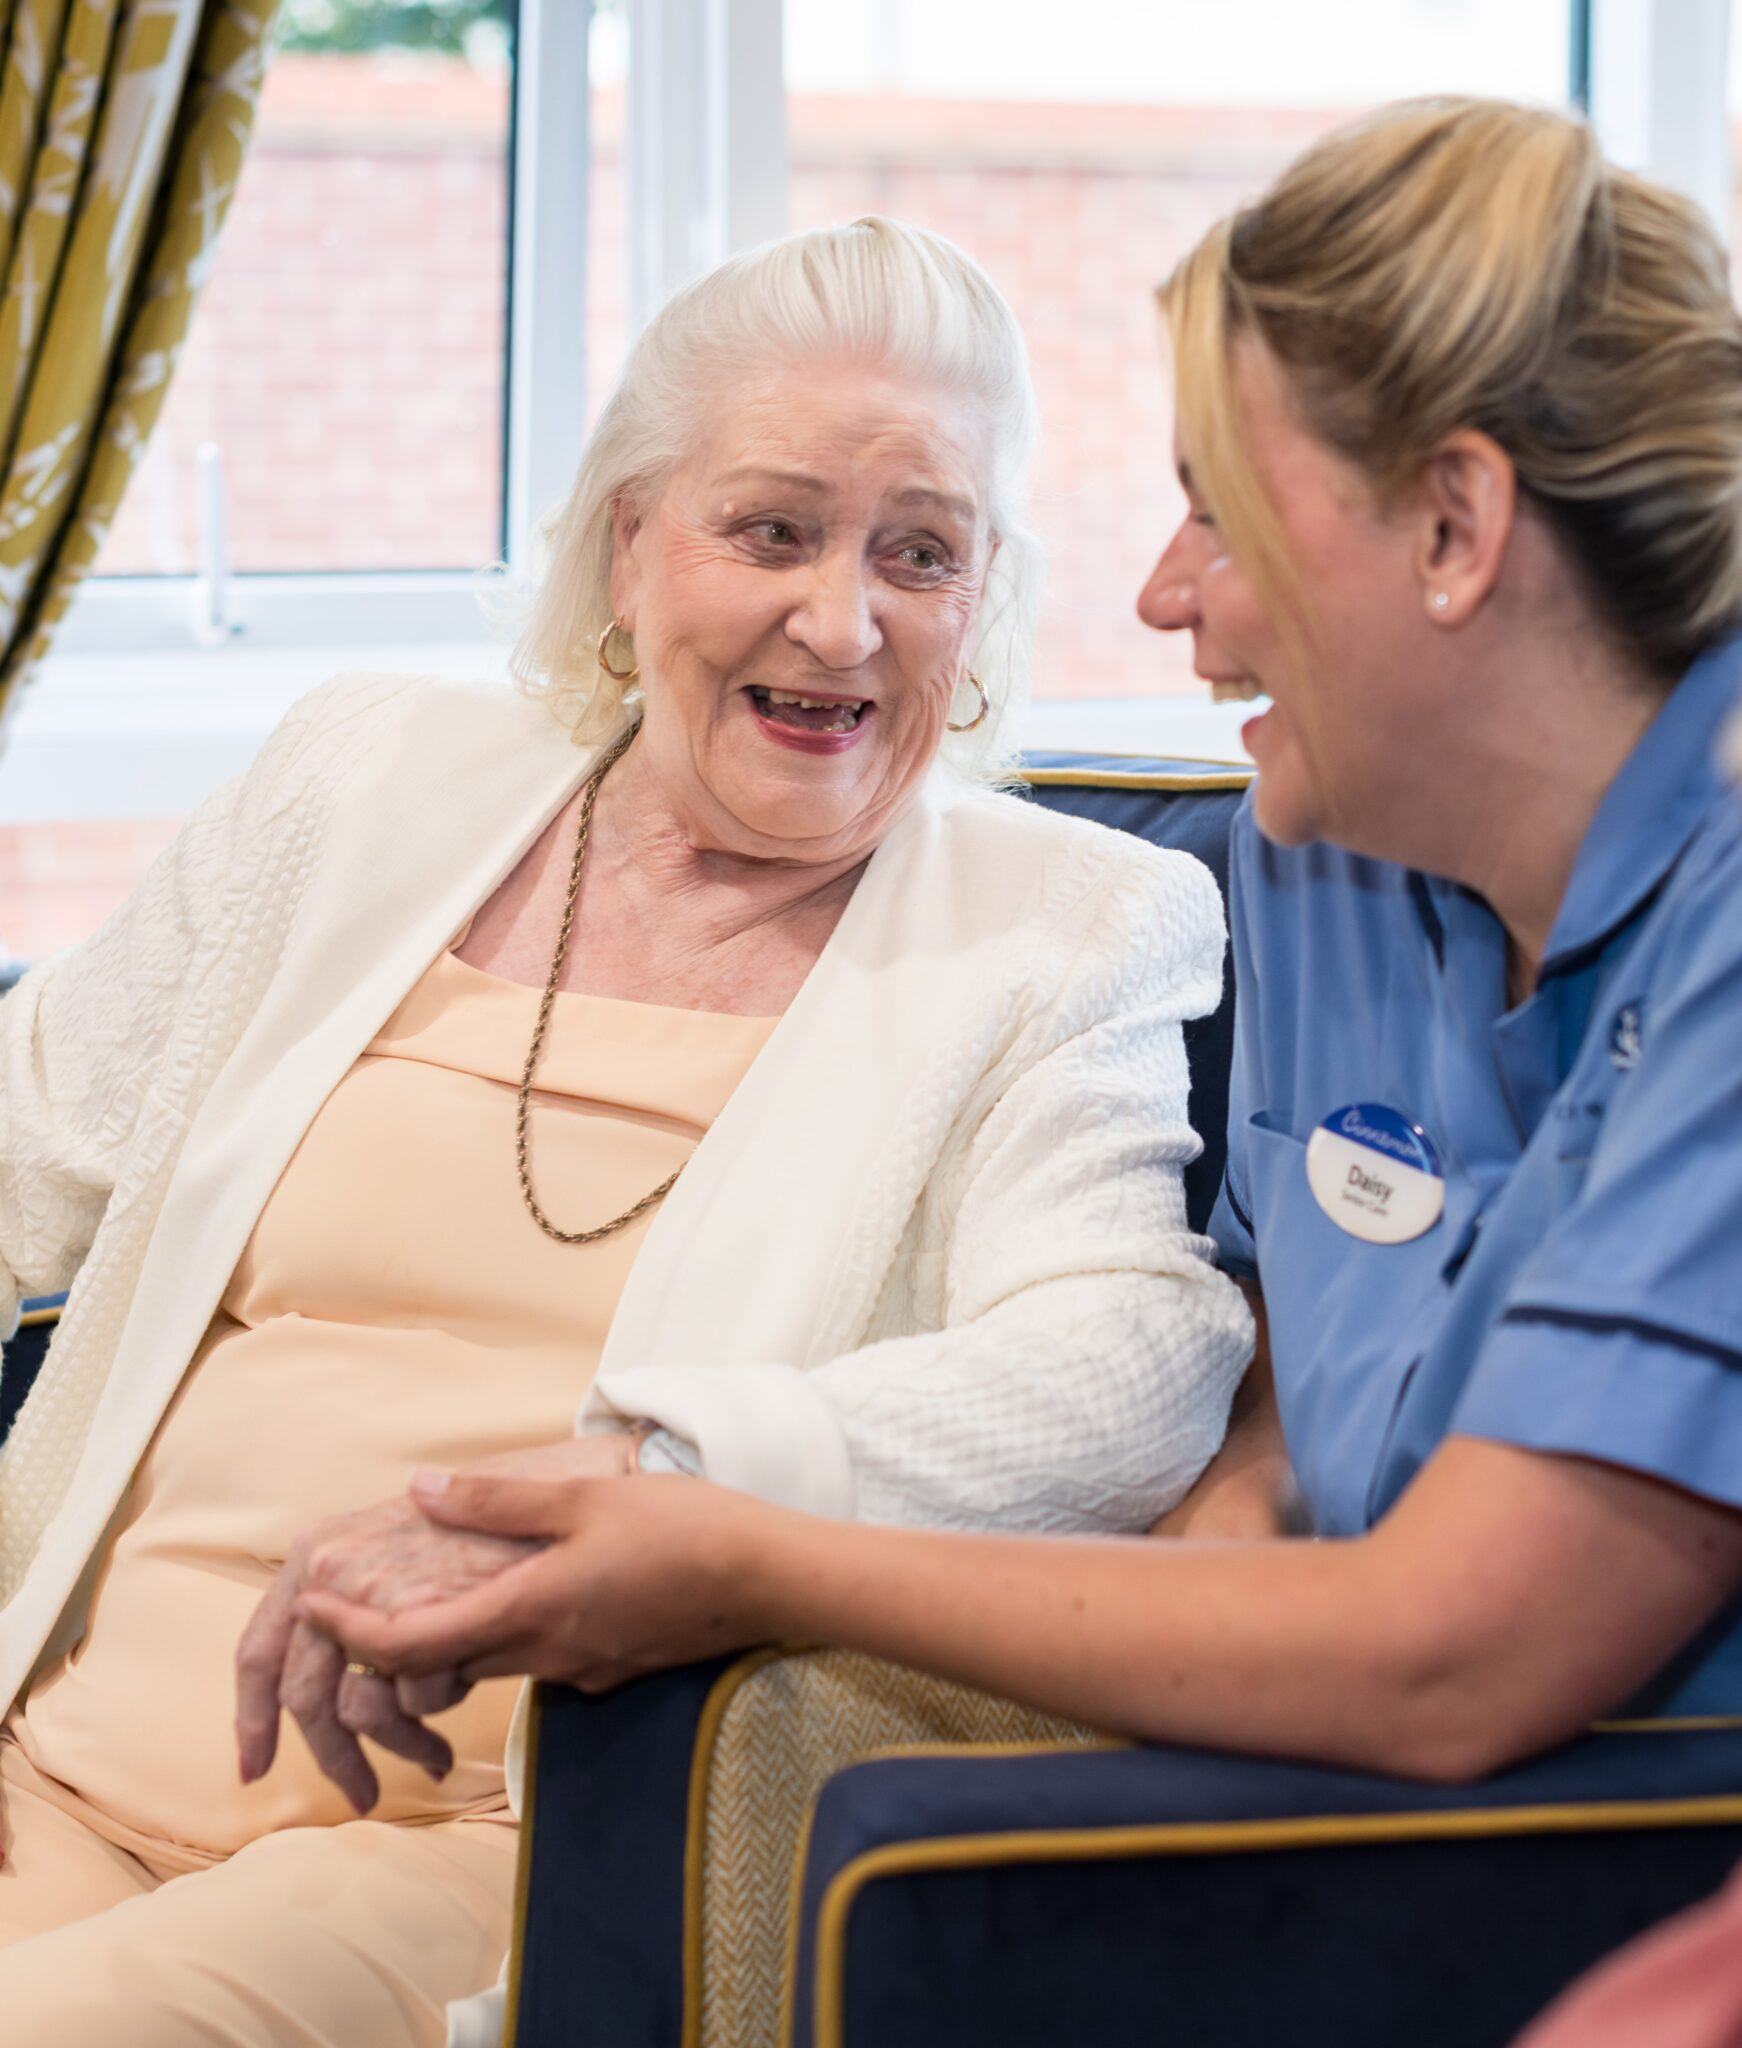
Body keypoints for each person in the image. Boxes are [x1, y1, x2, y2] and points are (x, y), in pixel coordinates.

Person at [299, 100, 1742, 1795]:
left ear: (1452, 527)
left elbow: (1456, 1659)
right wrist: (1219, 1556)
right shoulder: (1319, 865)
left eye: (1220, 518)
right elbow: (1286, 1386)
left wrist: (730, 1549)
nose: (1161, 594)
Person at [0, 218, 1251, 2044]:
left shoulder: (1062, 925)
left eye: (920, 552)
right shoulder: (363, 775)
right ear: (627, 545)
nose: (843, 621)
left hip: (470, 1839)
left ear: (981, 602)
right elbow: (23, 1149)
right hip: (44, 1751)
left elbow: (1126, 1360)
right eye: (772, 531)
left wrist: (655, 1487)